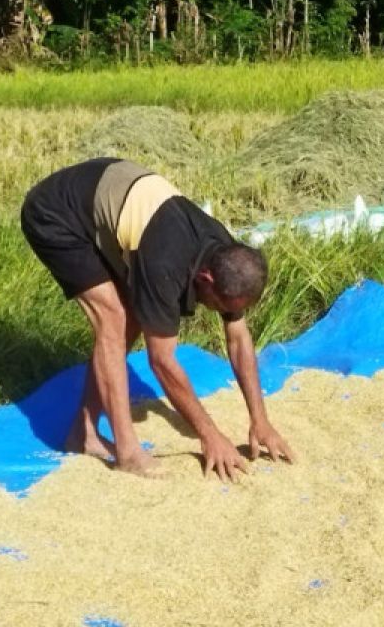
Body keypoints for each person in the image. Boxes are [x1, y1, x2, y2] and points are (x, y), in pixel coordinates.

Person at [21, 158, 296, 481]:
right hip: (55, 213)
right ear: (206, 278)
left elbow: (238, 339)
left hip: (114, 199)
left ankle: (83, 432)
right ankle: (127, 452)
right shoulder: (165, 263)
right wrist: (210, 435)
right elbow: (162, 362)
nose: (221, 312)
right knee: (115, 319)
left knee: (138, 315)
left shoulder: (227, 257)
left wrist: (259, 420)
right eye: (220, 304)